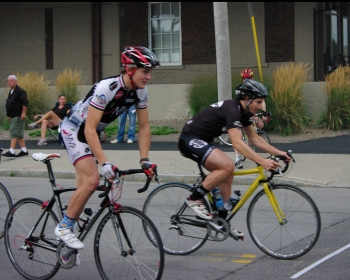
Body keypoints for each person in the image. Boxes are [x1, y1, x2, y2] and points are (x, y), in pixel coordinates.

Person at [55, 46, 159, 249]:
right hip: (74, 129)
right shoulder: (107, 88)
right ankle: (63, 228)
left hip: (89, 133)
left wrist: (144, 160)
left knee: (84, 189)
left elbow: (144, 126)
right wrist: (104, 162)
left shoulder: (140, 92)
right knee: (93, 180)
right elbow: (90, 129)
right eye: (145, 71)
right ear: (130, 69)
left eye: (149, 72)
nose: (149, 77)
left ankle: (65, 248)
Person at [178, 79, 290, 239]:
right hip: (189, 139)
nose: (261, 105)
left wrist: (279, 153)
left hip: (204, 141)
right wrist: (263, 161)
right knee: (228, 166)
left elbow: (255, 139)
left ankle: (221, 221)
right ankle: (194, 199)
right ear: (247, 99)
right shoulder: (233, 110)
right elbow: (237, 142)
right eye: (258, 101)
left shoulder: (244, 113)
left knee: (226, 174)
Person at [234, 68, 268, 169]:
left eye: (248, 78)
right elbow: (242, 103)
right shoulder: (240, 88)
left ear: (252, 77)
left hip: (251, 111)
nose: (246, 80)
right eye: (244, 79)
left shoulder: (256, 87)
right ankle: (237, 158)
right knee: (237, 135)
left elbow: (261, 101)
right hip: (240, 112)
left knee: (260, 124)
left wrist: (264, 113)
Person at [3, 75, 29, 158]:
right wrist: (9, 115)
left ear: (15, 81)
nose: (9, 82)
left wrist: (23, 113)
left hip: (18, 115)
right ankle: (24, 150)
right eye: (8, 81)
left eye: (11, 80)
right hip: (12, 115)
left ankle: (12, 151)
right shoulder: (11, 91)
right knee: (19, 134)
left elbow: (25, 103)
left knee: (14, 133)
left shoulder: (20, 91)